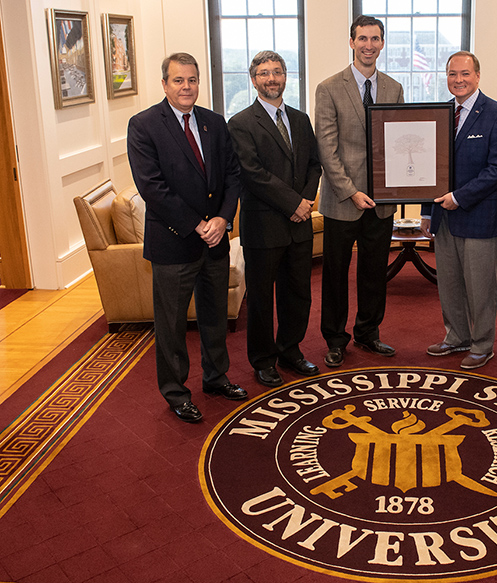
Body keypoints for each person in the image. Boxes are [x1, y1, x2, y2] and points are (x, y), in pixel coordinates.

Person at [127, 53, 247, 423]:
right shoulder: (144, 125)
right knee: (172, 324)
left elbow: (232, 175)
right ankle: (176, 392)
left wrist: (223, 219)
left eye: (192, 80)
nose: (186, 87)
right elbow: (153, 188)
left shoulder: (213, 122)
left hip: (215, 241)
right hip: (173, 243)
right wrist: (198, 224)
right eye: (178, 80)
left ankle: (215, 377)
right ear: (164, 84)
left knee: (213, 317)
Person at [228, 51, 322, 388]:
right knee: (262, 300)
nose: (272, 79)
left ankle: (290, 351)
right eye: (265, 73)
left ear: (286, 77)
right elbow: (253, 174)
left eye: (278, 72)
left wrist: (306, 201)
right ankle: (264, 360)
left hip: (299, 226)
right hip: (263, 226)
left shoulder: (300, 119)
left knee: (297, 294)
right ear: (253, 80)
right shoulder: (239, 123)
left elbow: (314, 164)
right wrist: (293, 203)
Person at [315, 15, 404, 369]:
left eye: (376, 39)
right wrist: (351, 192)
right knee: (336, 273)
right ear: (351, 42)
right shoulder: (328, 88)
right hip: (342, 201)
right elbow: (326, 148)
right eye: (362, 38)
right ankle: (335, 339)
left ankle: (369, 332)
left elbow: (396, 143)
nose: (369, 45)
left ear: (382, 44)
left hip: (381, 202)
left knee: (373, 271)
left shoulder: (393, 88)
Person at [421, 51, 497, 369]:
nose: (458, 80)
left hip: (477, 216)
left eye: (464, 73)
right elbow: (428, 168)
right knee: (448, 284)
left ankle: (482, 343)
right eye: (451, 74)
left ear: (477, 76)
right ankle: (457, 336)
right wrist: (425, 211)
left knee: (480, 287)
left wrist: (460, 197)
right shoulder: (440, 113)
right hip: (444, 218)